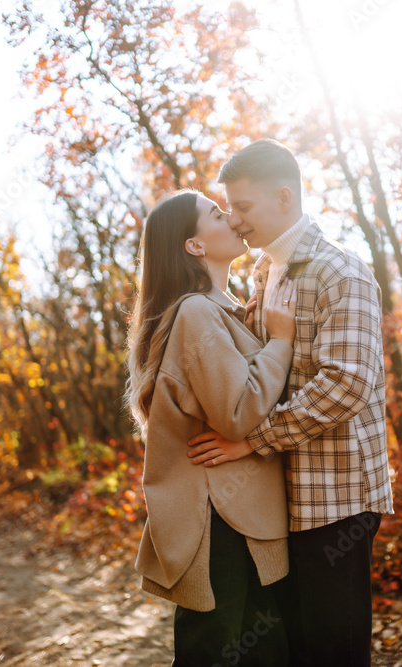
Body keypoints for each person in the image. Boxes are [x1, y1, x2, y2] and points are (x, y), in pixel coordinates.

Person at [187, 139, 394, 666]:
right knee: (290, 651)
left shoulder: (340, 272)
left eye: (244, 207)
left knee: (333, 653)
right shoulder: (266, 272)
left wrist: (251, 441)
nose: (234, 221)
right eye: (228, 208)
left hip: (336, 500)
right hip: (281, 498)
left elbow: (346, 384)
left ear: (284, 197)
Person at [125, 189, 299, 666]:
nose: (233, 221)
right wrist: (281, 342)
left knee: (262, 653)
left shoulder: (221, 309)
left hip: (240, 514)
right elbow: (238, 412)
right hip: (218, 518)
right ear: (194, 246)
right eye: (218, 215)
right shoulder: (196, 312)